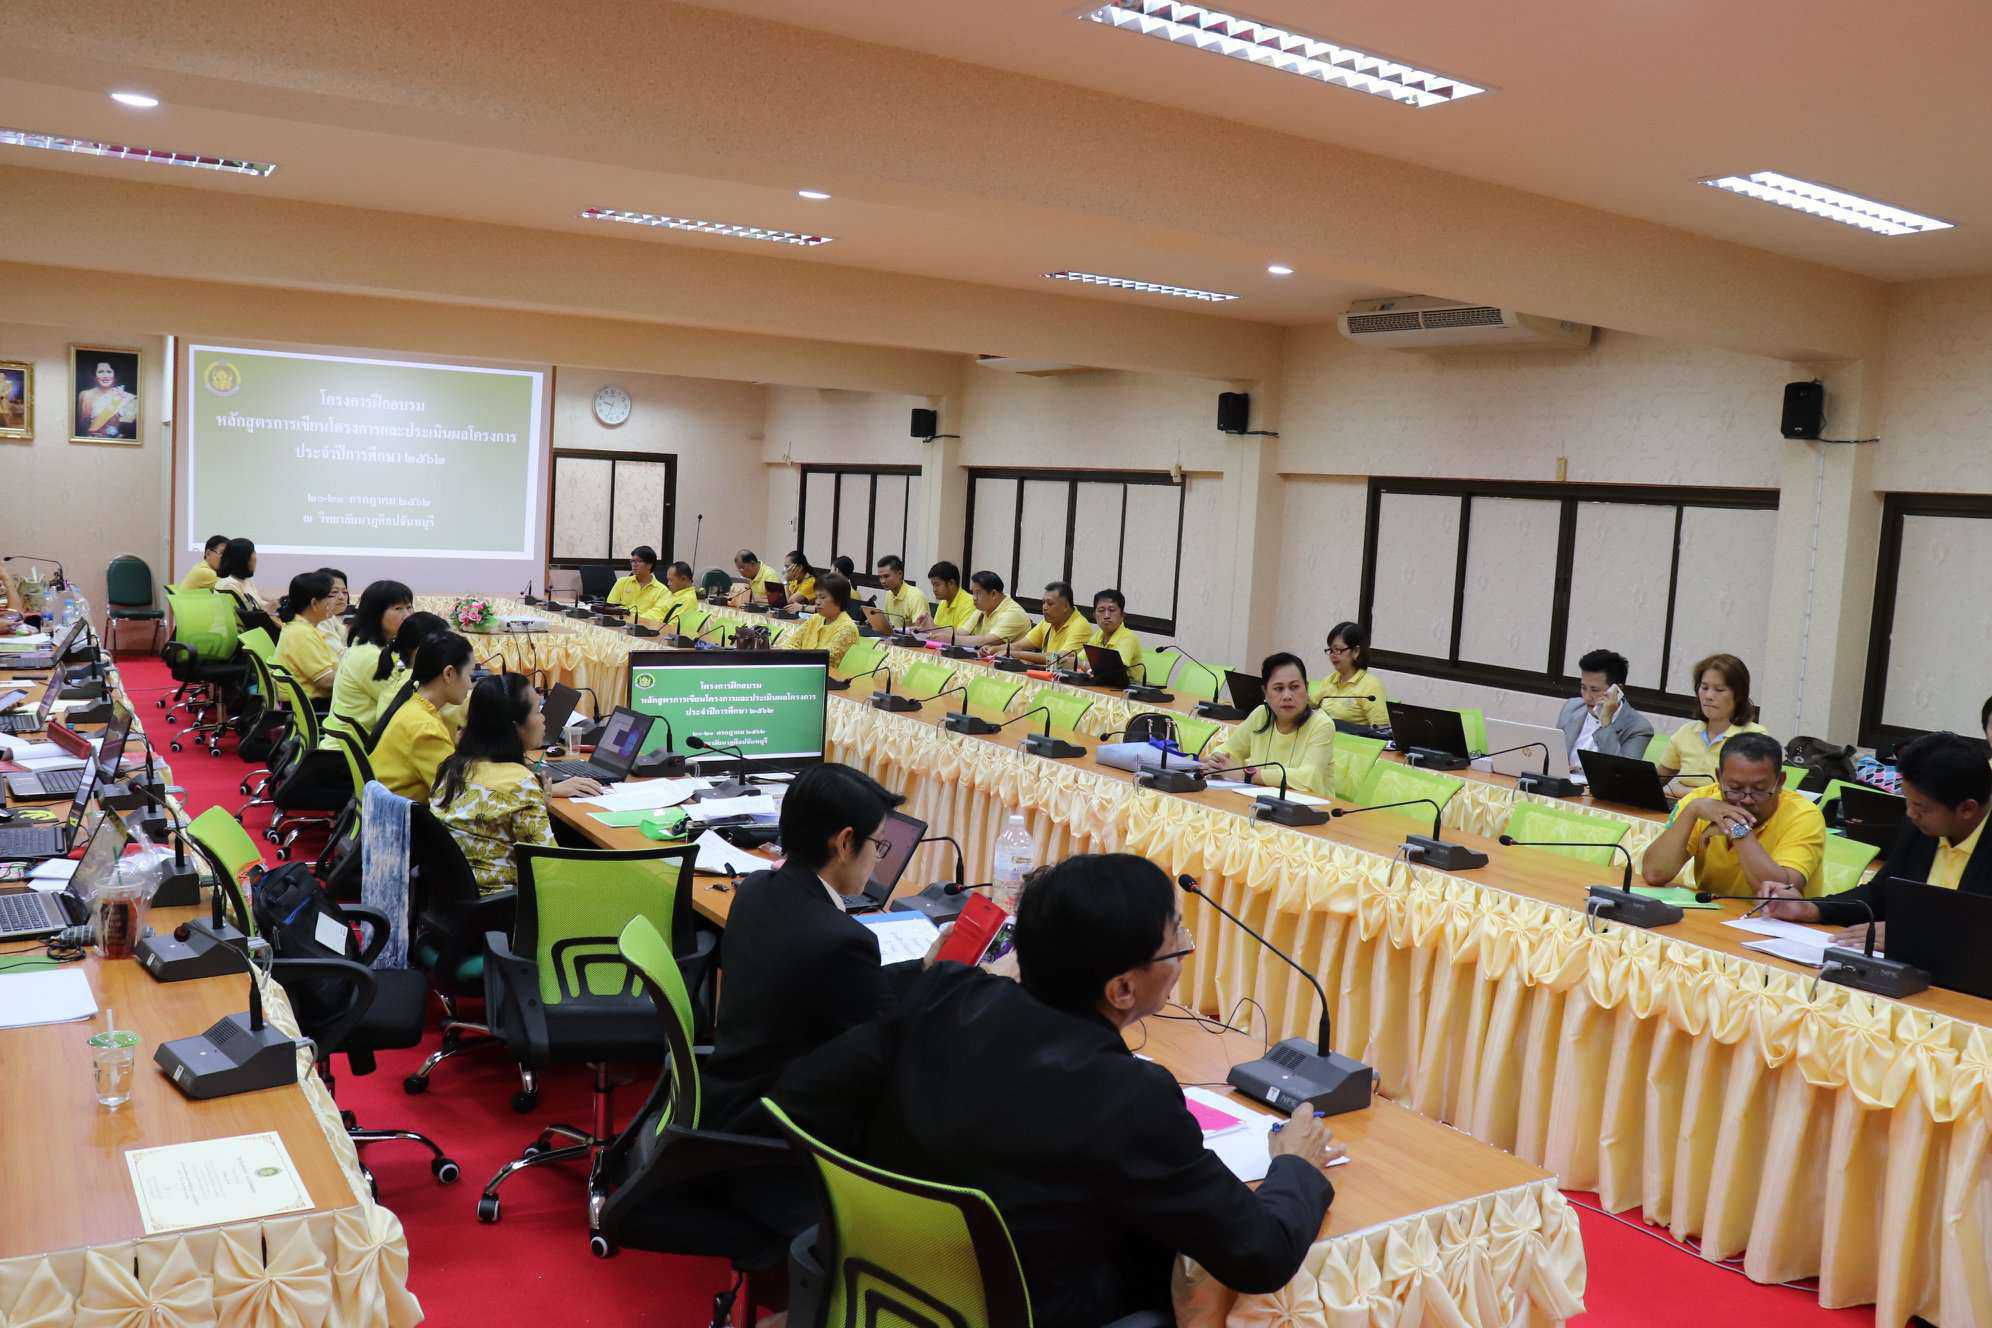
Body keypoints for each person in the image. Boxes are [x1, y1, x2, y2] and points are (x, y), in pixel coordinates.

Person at [772, 853, 1340, 1328]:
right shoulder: (1130, 1097)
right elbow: (1260, 1254)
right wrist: (1295, 1166)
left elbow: (804, 1096)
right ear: (1122, 989)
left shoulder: (946, 993)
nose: (1184, 958)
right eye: (1177, 945)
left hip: (888, 1287)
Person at [702, 763, 936, 1132]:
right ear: (844, 843)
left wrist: (923, 967)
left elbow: (851, 987)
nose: (877, 859)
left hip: (729, 1092)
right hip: (776, 1125)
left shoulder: (756, 888)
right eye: (878, 844)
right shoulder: (840, 940)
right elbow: (888, 1043)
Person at [1762, 732, 1991, 949]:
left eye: (1920, 807)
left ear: (1967, 809)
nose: (1910, 813)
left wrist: (1914, 936)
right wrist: (1811, 908)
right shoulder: (1920, 827)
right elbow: (1879, 894)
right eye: (1907, 800)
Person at [431, 674, 604, 895]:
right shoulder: (519, 783)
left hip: (457, 896)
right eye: (537, 711)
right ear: (515, 727)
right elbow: (549, 868)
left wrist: (540, 807)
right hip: (505, 901)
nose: (543, 718)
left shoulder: (450, 768)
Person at [1640, 732, 1824, 898]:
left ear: (1780, 781)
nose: (1746, 800)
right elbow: (1655, 873)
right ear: (1719, 778)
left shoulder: (1804, 815)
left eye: (1759, 789)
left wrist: (1738, 829)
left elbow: (1779, 893)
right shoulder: (1701, 801)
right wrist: (1691, 811)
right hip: (1714, 914)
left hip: (1776, 921)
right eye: (1735, 789)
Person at [1206, 652, 1337, 796]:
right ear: (1265, 693)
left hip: (1311, 806)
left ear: (1306, 688)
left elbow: (1307, 778)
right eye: (1278, 688)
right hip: (1258, 800)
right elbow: (1229, 750)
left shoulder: (1321, 724)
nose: (1287, 696)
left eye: (1294, 687)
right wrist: (1217, 760)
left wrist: (1248, 775)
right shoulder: (1261, 715)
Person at [372, 629, 475, 801]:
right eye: (469, 674)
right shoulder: (424, 728)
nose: (470, 684)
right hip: (406, 816)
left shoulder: (414, 705)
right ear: (449, 674)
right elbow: (457, 794)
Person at [1653, 653, 1768, 796]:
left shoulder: (1755, 737)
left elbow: (1746, 795)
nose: (1708, 696)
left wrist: (1681, 791)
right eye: (1704, 687)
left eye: (1719, 690)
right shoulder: (1686, 731)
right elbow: (1656, 781)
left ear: (1739, 695)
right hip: (1679, 808)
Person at [325, 580, 413, 745]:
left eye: (409, 607)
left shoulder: (377, 647)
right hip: (352, 752)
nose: (407, 615)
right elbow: (404, 703)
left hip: (362, 744)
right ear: (376, 613)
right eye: (398, 608)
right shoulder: (369, 656)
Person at [1558, 648, 1654, 774]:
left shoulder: (1639, 728)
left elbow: (1622, 773)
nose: (1587, 697)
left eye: (1595, 690)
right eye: (1583, 688)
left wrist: (1606, 723)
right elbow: (1554, 753)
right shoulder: (1572, 707)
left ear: (1617, 690)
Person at [273, 571, 340, 700]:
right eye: (331, 596)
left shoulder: (302, 626)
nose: (335, 601)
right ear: (314, 603)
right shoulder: (301, 633)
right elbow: (326, 681)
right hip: (312, 704)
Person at [1309, 621, 1389, 727]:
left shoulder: (1371, 685)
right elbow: (1308, 707)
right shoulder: (1329, 680)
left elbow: (1382, 729)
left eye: (1338, 650)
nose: (1333, 655)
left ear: (1356, 651)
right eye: (1331, 650)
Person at [1003, 580, 1093, 667]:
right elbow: (1019, 646)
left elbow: (1061, 660)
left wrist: (1017, 654)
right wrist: (996, 650)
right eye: (1043, 602)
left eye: (1050, 604)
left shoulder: (1080, 626)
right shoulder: (1048, 621)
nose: (1044, 607)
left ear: (1065, 606)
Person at [783, 572, 860, 667]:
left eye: (823, 597)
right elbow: (792, 642)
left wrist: (794, 659)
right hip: (802, 667)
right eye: (816, 597)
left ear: (838, 600)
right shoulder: (815, 618)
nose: (817, 602)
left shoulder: (847, 628)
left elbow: (825, 659)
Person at [949, 570, 1031, 649]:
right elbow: (961, 633)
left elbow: (987, 641)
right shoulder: (983, 608)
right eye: (973, 592)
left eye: (978, 593)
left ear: (993, 594)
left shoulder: (1013, 613)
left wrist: (950, 639)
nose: (974, 598)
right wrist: (942, 634)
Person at [605, 545, 673, 622]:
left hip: (644, 625)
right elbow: (610, 607)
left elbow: (657, 614)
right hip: (618, 623)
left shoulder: (662, 591)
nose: (634, 564)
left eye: (639, 561)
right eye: (632, 561)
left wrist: (633, 619)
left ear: (649, 565)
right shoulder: (621, 582)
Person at [213, 537, 278, 617]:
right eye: (253, 553)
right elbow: (247, 616)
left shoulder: (245, 580)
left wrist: (274, 604)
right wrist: (268, 609)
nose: (255, 558)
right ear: (243, 559)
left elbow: (258, 603)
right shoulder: (228, 585)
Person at [1084, 588, 1142, 675]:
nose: (1106, 616)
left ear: (1122, 615)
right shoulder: (1099, 634)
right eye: (1101, 610)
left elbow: (1114, 670)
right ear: (1094, 616)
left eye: (1111, 610)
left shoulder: (1129, 638)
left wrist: (1084, 665)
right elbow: (1080, 658)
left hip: (1125, 683)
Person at [865, 554, 927, 635]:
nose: (883, 581)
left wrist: (896, 630)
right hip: (894, 639)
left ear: (900, 574)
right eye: (880, 577)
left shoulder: (916, 596)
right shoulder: (889, 594)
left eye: (886, 576)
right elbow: (888, 623)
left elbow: (920, 629)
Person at [76, 359, 137, 439]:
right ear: (95, 375)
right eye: (100, 372)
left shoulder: (128, 398)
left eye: (109, 372)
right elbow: (81, 427)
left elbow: (128, 430)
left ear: (114, 374)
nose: (105, 376)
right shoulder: (85, 395)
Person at [917, 560, 974, 636]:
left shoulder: (969, 603)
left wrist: (931, 627)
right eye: (933, 585)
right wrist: (923, 628)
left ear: (951, 583)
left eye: (937, 585)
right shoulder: (943, 602)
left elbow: (960, 636)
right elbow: (935, 631)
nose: (934, 589)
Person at [315, 567, 350, 657]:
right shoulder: (318, 621)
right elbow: (340, 656)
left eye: (344, 592)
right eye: (334, 592)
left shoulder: (331, 617)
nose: (341, 597)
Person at [659, 560, 700, 627]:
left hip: (654, 628)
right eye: (668, 580)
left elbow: (672, 627)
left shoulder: (687, 600)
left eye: (671, 580)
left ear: (683, 579)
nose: (668, 583)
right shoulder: (671, 592)